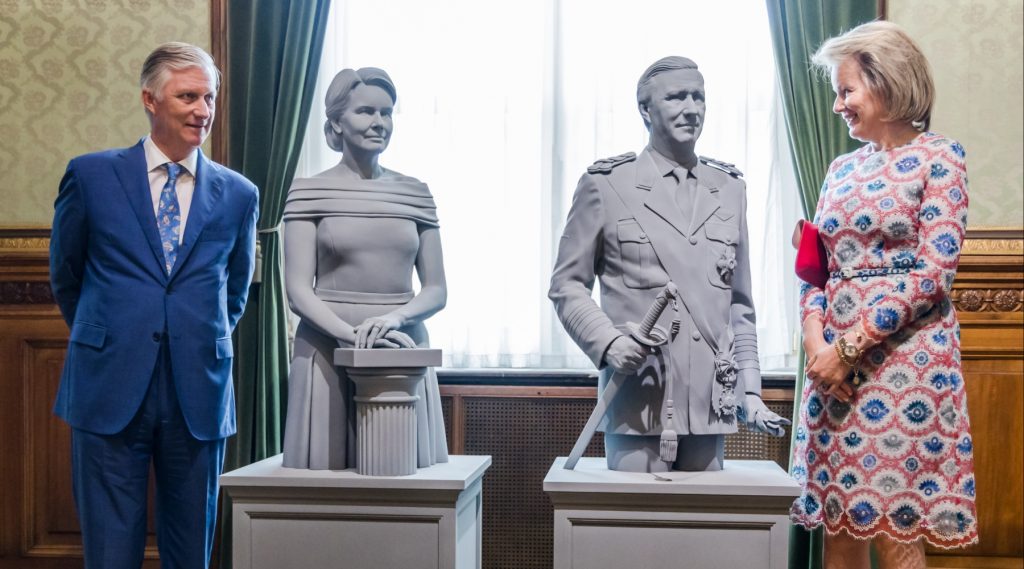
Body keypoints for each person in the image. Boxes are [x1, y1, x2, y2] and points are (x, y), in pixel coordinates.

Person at [48, 42, 258, 568]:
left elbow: (234, 292)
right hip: (108, 383)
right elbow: (66, 275)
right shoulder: (91, 177)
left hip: (198, 392)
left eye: (209, 98)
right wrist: (110, 335)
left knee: (190, 551)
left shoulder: (239, 194)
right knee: (110, 550)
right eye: (188, 96)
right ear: (150, 99)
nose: (203, 110)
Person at [789, 21, 978, 568]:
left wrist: (849, 347)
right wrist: (817, 344)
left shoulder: (941, 157)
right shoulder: (839, 169)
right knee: (839, 523)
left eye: (846, 91)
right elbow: (815, 268)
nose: (837, 106)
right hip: (831, 370)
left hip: (904, 368)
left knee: (895, 531)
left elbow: (933, 274)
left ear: (887, 81)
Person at [549, 56, 788, 473]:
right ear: (645, 109)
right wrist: (607, 342)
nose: (691, 108)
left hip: (711, 401)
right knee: (632, 513)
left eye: (699, 97)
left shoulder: (729, 189)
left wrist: (750, 391)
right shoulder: (607, 186)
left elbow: (739, 305)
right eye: (677, 97)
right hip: (640, 393)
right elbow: (567, 285)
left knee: (704, 514)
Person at [281, 67, 448, 470]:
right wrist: (351, 336)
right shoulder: (309, 191)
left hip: (401, 344)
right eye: (366, 111)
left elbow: (436, 289)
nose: (379, 122)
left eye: (386, 113)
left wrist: (394, 320)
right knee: (325, 473)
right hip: (327, 346)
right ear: (337, 121)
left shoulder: (415, 193)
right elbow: (298, 290)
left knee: (404, 471)